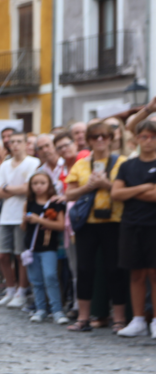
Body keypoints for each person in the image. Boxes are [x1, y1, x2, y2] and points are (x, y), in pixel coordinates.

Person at [64, 120, 126, 332]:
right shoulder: (81, 164)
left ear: (111, 139)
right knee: (84, 269)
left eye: (104, 136)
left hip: (114, 222)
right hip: (87, 223)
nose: (100, 140)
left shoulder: (121, 163)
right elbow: (69, 194)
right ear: (89, 140)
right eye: (95, 136)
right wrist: (88, 187)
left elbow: (126, 192)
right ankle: (83, 318)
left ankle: (118, 318)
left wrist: (106, 185)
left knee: (114, 269)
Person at [111, 119, 156, 337]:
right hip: (131, 224)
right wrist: (144, 187)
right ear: (137, 139)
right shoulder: (127, 165)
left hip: (153, 225)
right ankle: (138, 319)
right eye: (144, 136)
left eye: (153, 137)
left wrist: (132, 191)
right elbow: (115, 194)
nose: (148, 141)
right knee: (136, 273)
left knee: (154, 274)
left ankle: (155, 319)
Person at [0, 135, 40, 308]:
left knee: (21, 255)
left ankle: (22, 290)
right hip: (6, 215)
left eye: (19, 141)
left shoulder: (33, 163)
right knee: (2, 255)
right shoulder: (5, 165)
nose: (15, 145)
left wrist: (7, 188)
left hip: (22, 214)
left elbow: (29, 189)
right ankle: (10, 289)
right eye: (12, 142)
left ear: (26, 144)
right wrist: (15, 190)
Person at [23, 172, 66, 324]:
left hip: (49, 247)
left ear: (49, 185)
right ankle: (40, 308)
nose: (38, 186)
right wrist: (26, 219)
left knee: (50, 276)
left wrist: (39, 220)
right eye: (35, 183)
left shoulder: (55, 204)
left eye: (42, 183)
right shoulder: (29, 202)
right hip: (32, 247)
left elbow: (60, 225)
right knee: (36, 280)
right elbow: (24, 226)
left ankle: (57, 310)